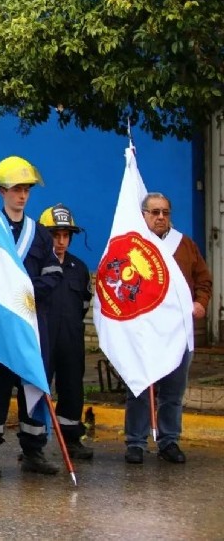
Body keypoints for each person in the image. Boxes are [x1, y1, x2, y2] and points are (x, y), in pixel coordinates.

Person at [0, 156, 63, 478]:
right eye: (15, 189)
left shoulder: (40, 234)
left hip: (31, 324)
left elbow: (53, 274)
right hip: (0, 326)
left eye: (26, 189)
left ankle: (34, 449)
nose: (22, 196)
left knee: (33, 385)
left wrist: (25, 290)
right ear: (1, 192)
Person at [123, 193, 212, 464]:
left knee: (172, 392)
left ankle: (169, 441)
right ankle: (136, 443)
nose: (161, 217)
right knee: (139, 388)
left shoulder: (184, 245)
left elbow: (203, 280)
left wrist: (201, 303)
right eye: (155, 212)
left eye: (165, 212)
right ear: (144, 215)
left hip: (177, 333)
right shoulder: (133, 246)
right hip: (144, 332)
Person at [38, 203, 93, 460]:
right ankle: (34, 445)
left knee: (72, 387)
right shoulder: (35, 265)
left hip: (71, 339)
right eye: (55, 235)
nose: (61, 241)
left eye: (65, 235)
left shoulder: (79, 268)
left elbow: (83, 303)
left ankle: (70, 438)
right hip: (43, 338)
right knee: (38, 389)